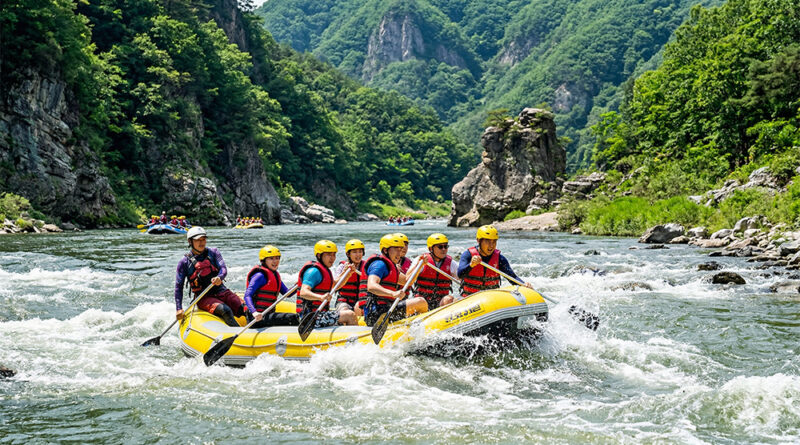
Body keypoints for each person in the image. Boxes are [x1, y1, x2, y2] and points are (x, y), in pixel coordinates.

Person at [174, 227, 247, 327]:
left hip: (222, 291)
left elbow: (223, 269)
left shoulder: (214, 252)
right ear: (190, 241)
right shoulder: (184, 262)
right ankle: (239, 336)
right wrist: (179, 308)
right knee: (225, 310)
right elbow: (178, 287)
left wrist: (220, 277)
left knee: (246, 309)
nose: (202, 242)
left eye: (203, 239)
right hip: (203, 297)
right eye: (198, 240)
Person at [360, 234, 428, 327]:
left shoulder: (390, 267)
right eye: (396, 249)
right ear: (385, 250)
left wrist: (420, 265)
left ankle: (412, 328)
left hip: (387, 309)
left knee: (420, 302)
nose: (399, 254)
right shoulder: (379, 264)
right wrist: (392, 293)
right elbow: (371, 286)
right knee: (420, 302)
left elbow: (408, 281)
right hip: (377, 313)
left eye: (400, 250)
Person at [457, 224, 533, 297]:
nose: (491, 245)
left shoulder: (500, 258)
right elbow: (460, 274)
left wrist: (523, 285)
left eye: (494, 241)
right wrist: (471, 265)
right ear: (478, 241)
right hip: (470, 297)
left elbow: (512, 278)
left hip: (491, 298)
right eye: (487, 241)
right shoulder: (468, 255)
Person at [296, 240, 358, 327]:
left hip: (320, 314)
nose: (332, 258)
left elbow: (335, 286)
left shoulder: (325, 270)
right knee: (350, 315)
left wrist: (347, 274)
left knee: (344, 316)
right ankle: (353, 339)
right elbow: (303, 292)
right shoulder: (313, 271)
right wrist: (320, 297)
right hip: (310, 317)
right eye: (329, 255)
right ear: (319, 255)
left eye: (334, 255)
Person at [243, 245, 299, 328]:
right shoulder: (259, 276)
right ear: (264, 260)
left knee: (294, 317)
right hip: (256, 318)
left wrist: (298, 285)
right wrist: (254, 312)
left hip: (268, 315)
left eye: (277, 258)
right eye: (271, 258)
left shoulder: (275, 275)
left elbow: (287, 294)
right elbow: (247, 295)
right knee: (292, 318)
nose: (275, 261)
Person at [414, 233, 458, 309]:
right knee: (420, 301)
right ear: (431, 249)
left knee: (450, 299)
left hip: (441, 302)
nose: (444, 249)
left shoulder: (451, 263)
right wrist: (419, 265)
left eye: (446, 246)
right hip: (423, 302)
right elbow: (409, 280)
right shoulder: (421, 260)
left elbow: (462, 279)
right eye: (440, 247)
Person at [334, 239, 365, 317]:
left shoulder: (367, 266)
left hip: (361, 300)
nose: (358, 255)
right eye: (354, 252)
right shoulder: (342, 267)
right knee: (345, 312)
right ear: (348, 254)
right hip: (344, 301)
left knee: (358, 306)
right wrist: (345, 273)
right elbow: (335, 285)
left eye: (360, 251)